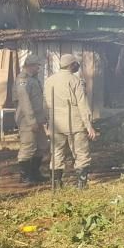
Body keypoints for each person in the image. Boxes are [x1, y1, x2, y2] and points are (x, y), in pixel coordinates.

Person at [44, 54, 96, 189]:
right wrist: (89, 125)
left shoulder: (49, 80)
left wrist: (47, 123)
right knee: (81, 153)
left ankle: (56, 184)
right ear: (71, 65)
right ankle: (81, 185)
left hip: (56, 123)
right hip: (75, 122)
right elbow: (82, 104)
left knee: (56, 153)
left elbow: (45, 104)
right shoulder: (75, 80)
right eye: (76, 64)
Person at [12, 54, 47, 184]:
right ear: (30, 66)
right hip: (27, 120)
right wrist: (32, 121)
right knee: (28, 147)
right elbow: (25, 102)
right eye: (37, 65)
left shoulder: (34, 79)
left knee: (42, 146)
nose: (39, 68)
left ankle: (35, 173)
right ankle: (25, 175)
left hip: (38, 119)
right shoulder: (23, 80)